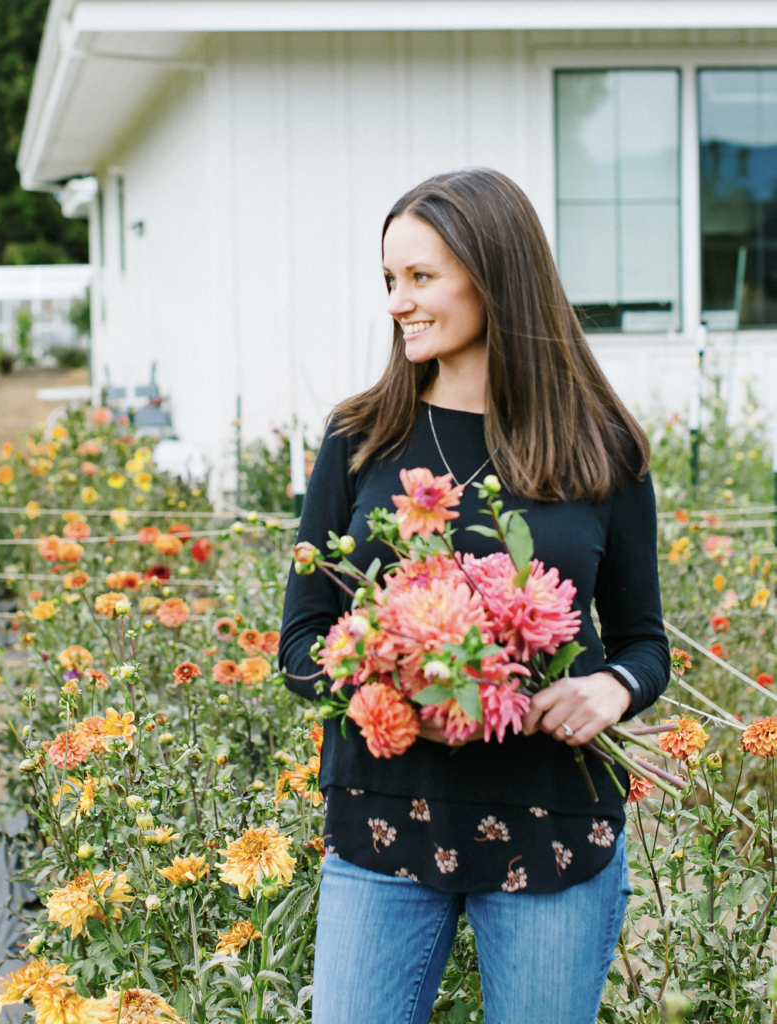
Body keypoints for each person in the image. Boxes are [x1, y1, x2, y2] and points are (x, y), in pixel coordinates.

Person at [279, 168, 670, 1024]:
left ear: (493, 275)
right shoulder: (358, 437)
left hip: (553, 822)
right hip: (383, 823)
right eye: (389, 280)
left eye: (421, 278)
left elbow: (643, 641)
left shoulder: (601, 449)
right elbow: (301, 644)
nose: (397, 302)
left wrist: (611, 688)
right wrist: (390, 682)